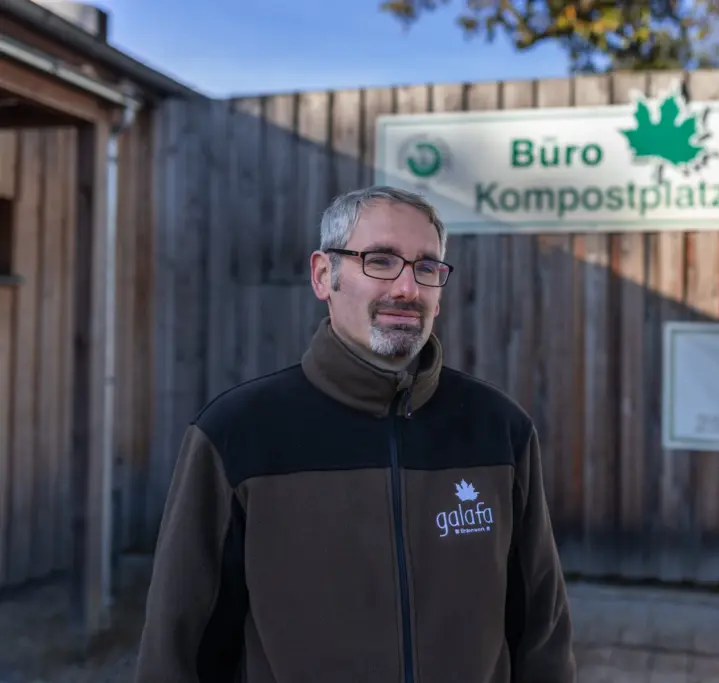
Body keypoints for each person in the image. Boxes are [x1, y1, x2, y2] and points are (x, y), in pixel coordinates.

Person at [134, 185, 576, 683]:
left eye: (426, 268)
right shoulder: (237, 435)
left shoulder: (499, 429)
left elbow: (542, 633)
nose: (407, 289)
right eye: (381, 261)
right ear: (325, 275)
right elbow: (178, 648)